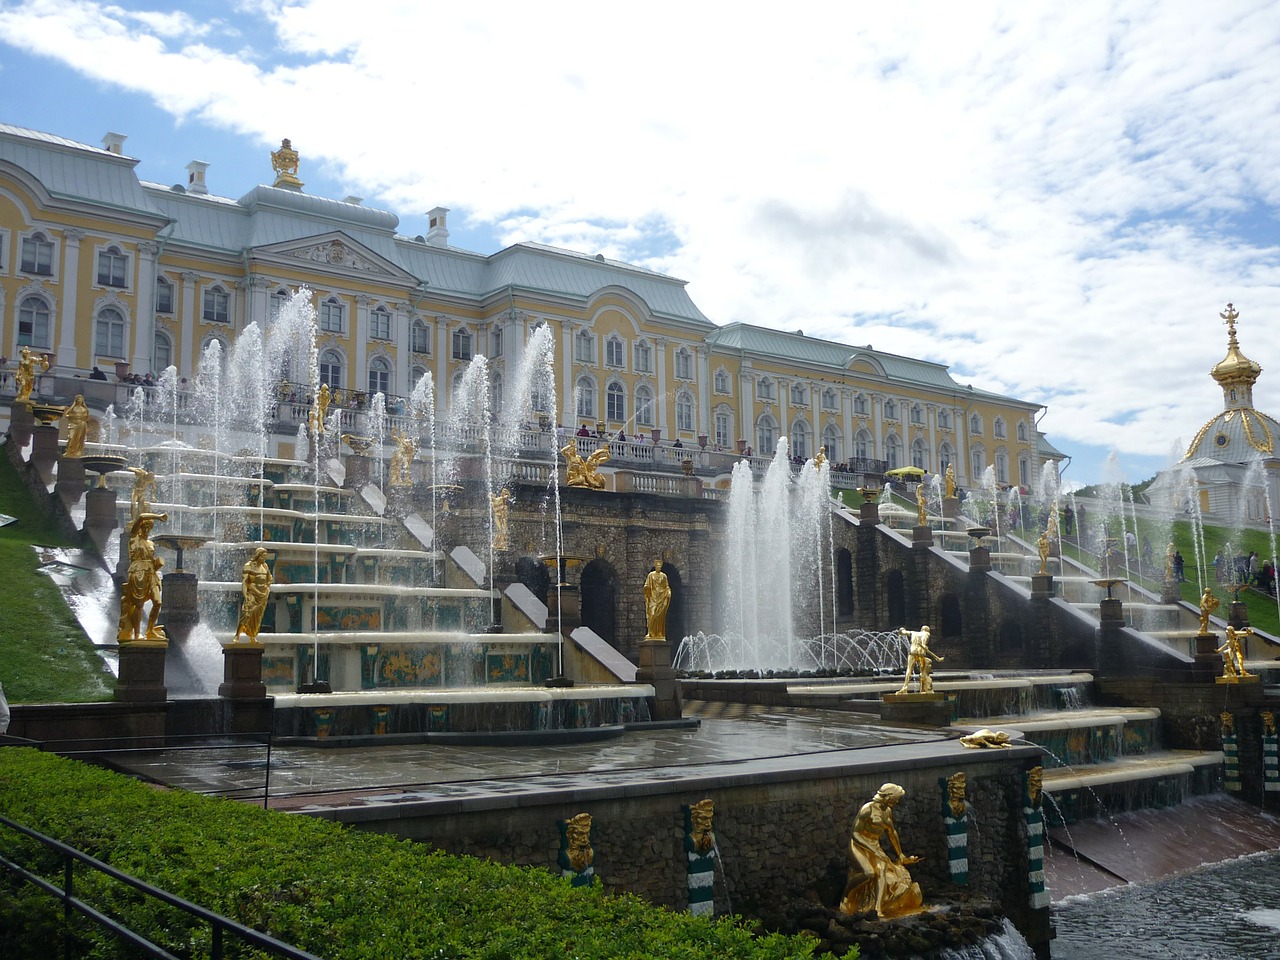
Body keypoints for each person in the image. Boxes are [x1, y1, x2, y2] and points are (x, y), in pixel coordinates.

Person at [839, 783, 923, 918]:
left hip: (875, 846)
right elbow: (855, 833)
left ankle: (878, 908)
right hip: (859, 845)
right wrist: (872, 849)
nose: (897, 801)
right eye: (895, 798)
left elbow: (892, 832)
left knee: (882, 870)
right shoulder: (867, 809)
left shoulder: (887, 811)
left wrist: (900, 853)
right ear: (887, 797)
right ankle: (846, 896)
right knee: (869, 872)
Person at [117, 512, 168, 643]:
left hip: (151, 574)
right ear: (139, 528)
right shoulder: (133, 539)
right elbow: (141, 517)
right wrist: (158, 517)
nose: (146, 531)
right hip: (137, 572)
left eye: (148, 528)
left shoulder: (150, 543)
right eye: (144, 528)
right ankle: (137, 633)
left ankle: (150, 630)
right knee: (138, 604)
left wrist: (157, 563)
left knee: (158, 602)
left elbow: (150, 560)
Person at [234, 548, 273, 643]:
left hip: (263, 596)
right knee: (246, 614)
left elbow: (269, 579)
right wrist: (245, 595)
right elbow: (245, 582)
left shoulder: (265, 566)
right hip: (252, 594)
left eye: (265, 557)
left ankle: (252, 636)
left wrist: (267, 589)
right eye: (262, 556)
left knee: (257, 617)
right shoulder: (249, 566)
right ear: (257, 555)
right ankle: (237, 636)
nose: (264, 558)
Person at [897, 625, 942, 694]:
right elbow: (924, 643)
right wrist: (924, 646)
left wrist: (901, 630)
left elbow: (903, 632)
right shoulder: (926, 634)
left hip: (912, 652)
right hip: (921, 653)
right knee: (923, 671)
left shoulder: (914, 633)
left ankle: (905, 687)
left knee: (909, 669)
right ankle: (924, 689)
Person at [643, 559, 672, 640]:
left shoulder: (664, 576)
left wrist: (669, 592)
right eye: (657, 566)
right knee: (651, 614)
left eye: (660, 566)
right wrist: (646, 588)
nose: (658, 567)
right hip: (653, 597)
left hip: (661, 597)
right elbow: (647, 584)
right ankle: (650, 632)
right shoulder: (651, 575)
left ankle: (659, 633)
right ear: (655, 566)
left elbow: (666, 586)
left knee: (660, 616)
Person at [62, 394, 91, 459]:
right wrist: (72, 417)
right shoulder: (73, 408)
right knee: (71, 438)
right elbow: (66, 415)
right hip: (73, 424)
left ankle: (77, 452)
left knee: (78, 439)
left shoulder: (84, 409)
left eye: (80, 400)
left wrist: (80, 419)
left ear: (82, 401)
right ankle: (69, 451)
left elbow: (87, 417)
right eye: (78, 400)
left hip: (80, 425)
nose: (79, 401)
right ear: (76, 401)